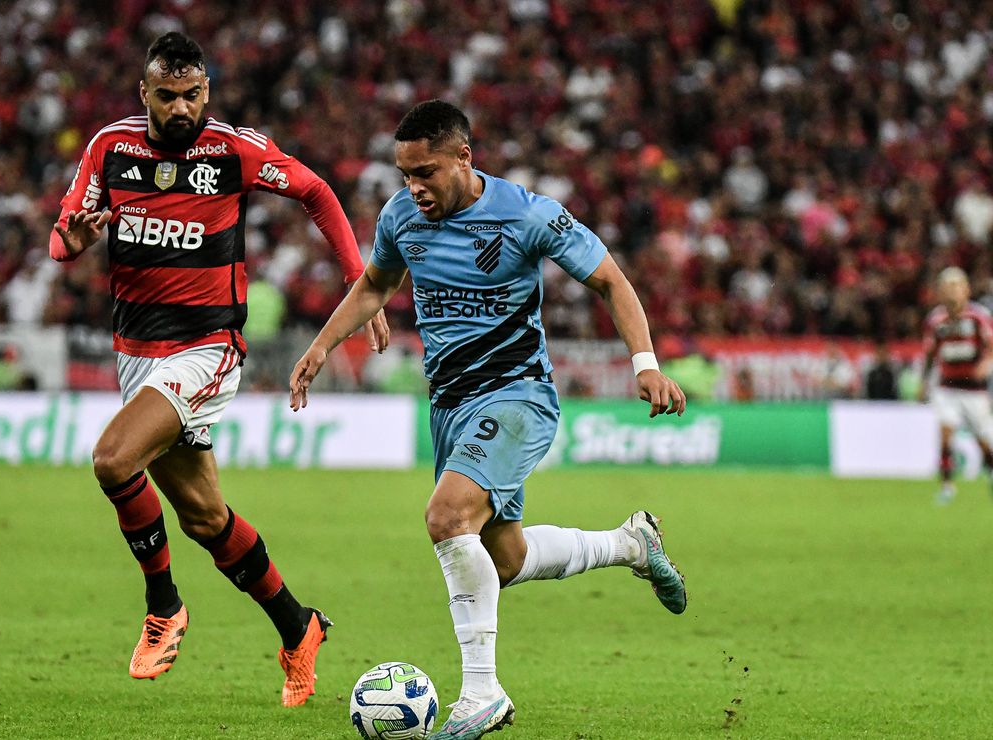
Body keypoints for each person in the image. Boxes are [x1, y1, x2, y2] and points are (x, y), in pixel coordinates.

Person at [289, 100, 687, 739]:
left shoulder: (526, 214)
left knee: (446, 518)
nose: (414, 186)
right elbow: (374, 284)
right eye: (404, 173)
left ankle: (482, 694)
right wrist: (321, 345)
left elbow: (611, 279)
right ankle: (629, 544)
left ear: (463, 157)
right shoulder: (402, 216)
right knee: (501, 560)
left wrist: (644, 363)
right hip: (449, 407)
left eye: (426, 171)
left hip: (516, 396)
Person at [49, 32, 389, 703]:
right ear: (144, 92)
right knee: (206, 520)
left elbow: (318, 193)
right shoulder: (109, 147)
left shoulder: (233, 150)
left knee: (114, 461)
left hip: (207, 348)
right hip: (135, 353)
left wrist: (360, 281)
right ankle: (299, 628)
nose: (181, 108)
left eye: (193, 94)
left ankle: (164, 605)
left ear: (208, 91)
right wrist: (72, 240)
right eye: (167, 95)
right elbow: (63, 233)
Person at [920, 267, 993, 504]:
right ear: (939, 292)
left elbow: (991, 347)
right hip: (947, 387)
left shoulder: (978, 317)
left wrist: (986, 363)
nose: (952, 292)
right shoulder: (935, 320)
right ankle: (947, 486)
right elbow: (930, 354)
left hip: (974, 389)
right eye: (947, 287)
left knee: (984, 442)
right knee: (945, 434)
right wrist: (924, 381)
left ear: (966, 290)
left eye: (956, 286)